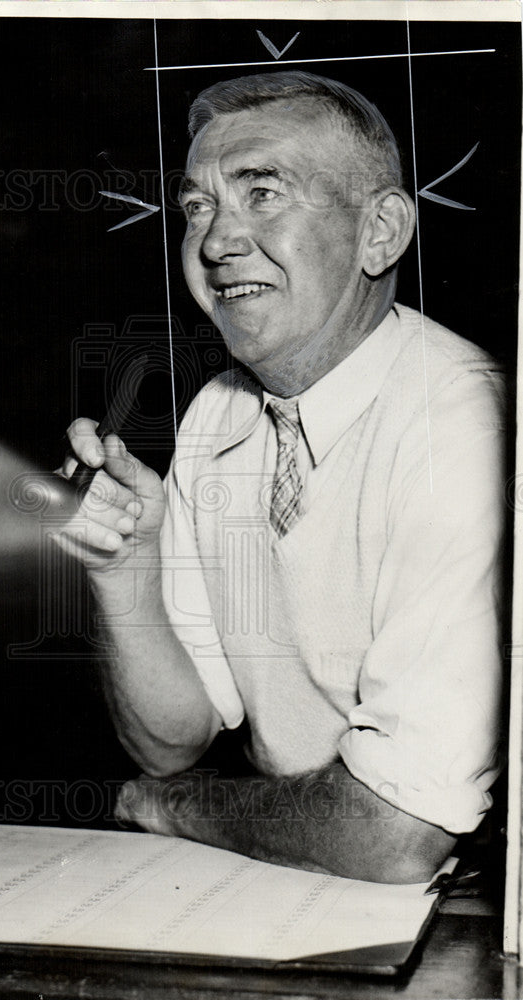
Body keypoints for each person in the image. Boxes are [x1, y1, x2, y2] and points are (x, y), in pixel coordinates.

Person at [54, 71, 506, 884]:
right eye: (197, 206)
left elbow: (395, 835)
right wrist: (125, 571)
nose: (216, 241)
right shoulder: (219, 417)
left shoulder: (463, 428)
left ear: (380, 232)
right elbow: (172, 740)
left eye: (262, 192)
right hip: (301, 870)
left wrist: (172, 807)